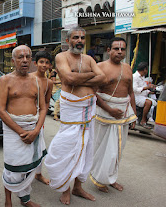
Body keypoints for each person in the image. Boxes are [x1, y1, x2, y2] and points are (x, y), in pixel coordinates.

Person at [44, 26, 106, 205]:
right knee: (67, 148)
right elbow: (69, 80)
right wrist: (92, 74)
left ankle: (78, 187)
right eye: (75, 37)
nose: (79, 41)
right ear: (68, 40)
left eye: (82, 38)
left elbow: (103, 78)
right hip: (72, 107)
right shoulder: (61, 57)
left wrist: (78, 76)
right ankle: (65, 188)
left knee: (86, 148)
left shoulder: (89, 59)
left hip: (88, 107)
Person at [0, 45, 47, 207]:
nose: (24, 60)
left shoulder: (37, 81)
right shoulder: (5, 80)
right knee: (12, 168)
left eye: (27, 57)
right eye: (20, 57)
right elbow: (1, 110)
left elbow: (43, 107)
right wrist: (20, 132)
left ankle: (25, 199)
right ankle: (8, 200)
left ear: (31, 60)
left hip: (33, 128)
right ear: (13, 60)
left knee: (28, 168)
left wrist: (36, 131)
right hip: (14, 131)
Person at [89, 37, 137, 193]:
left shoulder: (128, 68)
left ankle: (111, 178)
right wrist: (110, 110)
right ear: (108, 50)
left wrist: (134, 113)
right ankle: (99, 179)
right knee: (102, 149)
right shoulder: (99, 67)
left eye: (123, 49)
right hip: (105, 113)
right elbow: (93, 93)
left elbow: (130, 92)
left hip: (123, 114)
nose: (120, 51)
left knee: (117, 150)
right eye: (116, 48)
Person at [30, 51, 54, 185]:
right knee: (26, 146)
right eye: (41, 62)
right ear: (35, 63)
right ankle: (25, 173)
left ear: (50, 65)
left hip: (40, 117)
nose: (44, 65)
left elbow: (46, 102)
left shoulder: (49, 82)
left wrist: (42, 119)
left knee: (39, 147)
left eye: (47, 63)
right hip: (26, 117)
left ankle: (38, 174)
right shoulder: (29, 77)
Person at [133, 62, 157, 128]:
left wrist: (149, 91)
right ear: (145, 69)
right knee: (148, 102)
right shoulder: (135, 77)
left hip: (141, 96)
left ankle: (145, 119)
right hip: (135, 97)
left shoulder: (142, 77)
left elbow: (144, 90)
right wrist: (147, 87)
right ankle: (143, 120)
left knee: (153, 101)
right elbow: (135, 89)